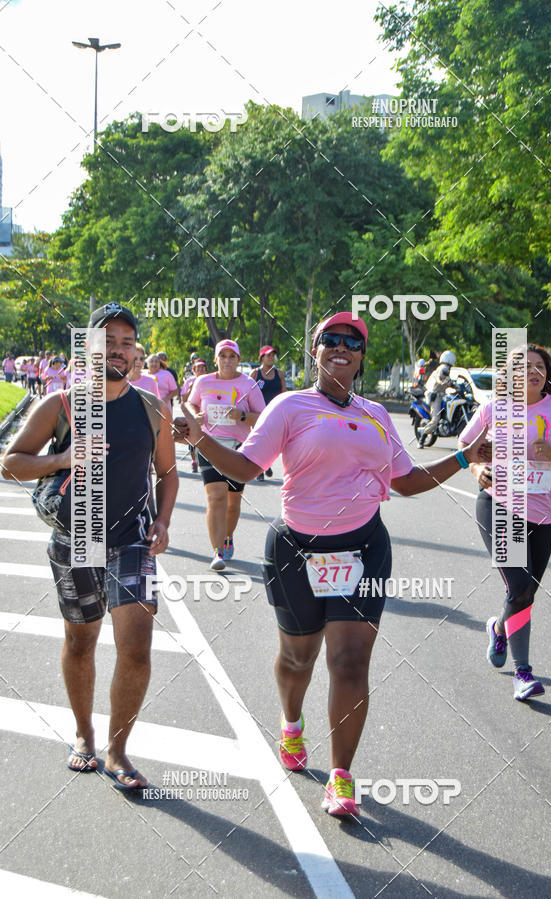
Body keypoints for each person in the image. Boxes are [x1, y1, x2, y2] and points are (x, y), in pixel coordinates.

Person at [173, 311, 490, 816]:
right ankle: (291, 724)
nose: (342, 347)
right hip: (296, 551)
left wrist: (464, 457)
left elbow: (405, 482)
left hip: (363, 550)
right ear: (315, 350)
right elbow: (244, 468)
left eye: (354, 343)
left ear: (363, 357)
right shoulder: (288, 406)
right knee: (298, 659)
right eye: (331, 340)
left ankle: (342, 776)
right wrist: (198, 438)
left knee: (348, 662)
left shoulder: (376, 416)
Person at [2, 303, 178, 790]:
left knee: (137, 650)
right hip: (77, 538)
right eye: (107, 341)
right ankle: (83, 734)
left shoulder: (151, 408)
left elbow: (167, 473)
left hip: (133, 542)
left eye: (126, 342)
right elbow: (10, 464)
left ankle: (118, 750)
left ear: (134, 352)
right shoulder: (60, 404)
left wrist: (162, 521)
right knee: (80, 641)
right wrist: (62, 456)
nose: (117, 350)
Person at [458, 345, 551, 701]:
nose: (533, 371)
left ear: (548, 373)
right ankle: (523, 673)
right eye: (524, 366)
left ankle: (499, 627)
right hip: (501, 506)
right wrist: (476, 467)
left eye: (539, 366)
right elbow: (466, 445)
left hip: (547, 514)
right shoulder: (494, 408)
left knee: (525, 592)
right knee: (520, 588)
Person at [186, 339, 265, 568]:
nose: (227, 360)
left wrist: (241, 416)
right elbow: (192, 404)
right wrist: (196, 415)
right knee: (215, 497)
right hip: (209, 443)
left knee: (232, 501)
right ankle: (217, 552)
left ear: (238, 360)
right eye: (223, 356)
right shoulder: (203, 381)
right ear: (216, 359)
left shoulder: (248, 384)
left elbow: (263, 417)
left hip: (240, 447)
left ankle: (228, 537)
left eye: (232, 356)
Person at [250, 346, 287, 480]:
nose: (271, 357)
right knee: (260, 441)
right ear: (262, 358)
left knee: (272, 442)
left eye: (273, 355)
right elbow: (247, 392)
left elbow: (284, 392)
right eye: (268, 355)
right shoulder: (255, 374)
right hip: (258, 414)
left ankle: (267, 464)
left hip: (275, 413)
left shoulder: (279, 374)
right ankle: (260, 471)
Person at [419, 349, 456, 442]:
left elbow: (448, 380)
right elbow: (440, 378)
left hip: (442, 395)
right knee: (436, 419)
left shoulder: (446, 368)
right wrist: (444, 382)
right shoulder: (443, 368)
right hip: (435, 395)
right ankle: (423, 435)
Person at [181, 358, 208, 473]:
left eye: (203, 368)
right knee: (192, 439)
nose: (200, 370)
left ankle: (206, 459)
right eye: (198, 368)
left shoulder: (209, 381)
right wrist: (191, 389)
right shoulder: (189, 382)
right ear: (193, 370)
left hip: (205, 415)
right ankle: (194, 461)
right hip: (192, 415)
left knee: (204, 437)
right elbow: (184, 399)